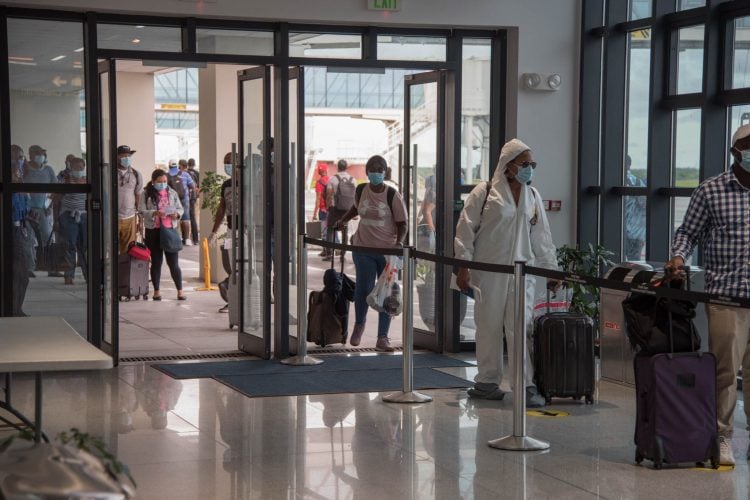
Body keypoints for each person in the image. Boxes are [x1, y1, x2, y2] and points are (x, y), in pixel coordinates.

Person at [666, 124, 750, 466]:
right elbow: (688, 232)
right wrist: (678, 257)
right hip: (727, 296)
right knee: (726, 372)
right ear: (735, 152)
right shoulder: (711, 190)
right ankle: (722, 437)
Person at [454, 138, 559, 407]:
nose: (530, 169)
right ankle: (487, 381)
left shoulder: (532, 196)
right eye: (525, 164)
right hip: (488, 272)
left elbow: (542, 238)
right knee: (487, 326)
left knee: (520, 328)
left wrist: (551, 271)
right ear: (508, 165)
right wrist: (462, 266)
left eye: (532, 164)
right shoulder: (485, 192)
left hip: (522, 272)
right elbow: (465, 231)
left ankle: (525, 384)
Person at [334, 155, 407, 352]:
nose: (375, 172)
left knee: (386, 292)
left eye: (379, 169)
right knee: (363, 288)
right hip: (363, 248)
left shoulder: (392, 195)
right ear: (367, 172)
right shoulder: (361, 189)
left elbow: (403, 224)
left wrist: (398, 243)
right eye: (372, 169)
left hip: (387, 252)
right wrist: (343, 220)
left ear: (385, 172)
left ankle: (382, 337)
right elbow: (355, 209)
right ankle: (359, 325)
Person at [139, 168, 186, 301]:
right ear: (153, 182)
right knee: (156, 262)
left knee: (173, 263)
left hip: (170, 230)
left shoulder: (172, 192)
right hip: (153, 230)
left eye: (165, 181)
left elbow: (180, 208)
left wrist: (176, 214)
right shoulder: (146, 193)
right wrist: (154, 212)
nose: (163, 184)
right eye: (160, 182)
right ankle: (157, 291)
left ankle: (180, 291)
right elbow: (141, 210)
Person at [23, 144, 59, 277]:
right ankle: (30, 268)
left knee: (48, 236)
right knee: (29, 239)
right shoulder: (25, 168)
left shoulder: (48, 170)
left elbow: (57, 189)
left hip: (43, 209)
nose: (40, 156)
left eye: (41, 153)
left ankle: (52, 268)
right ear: (30, 154)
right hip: (27, 209)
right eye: (36, 153)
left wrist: (49, 206)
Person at [208, 152, 236, 313]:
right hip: (232, 230)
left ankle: (233, 297)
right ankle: (231, 298)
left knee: (241, 267)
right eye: (225, 163)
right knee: (230, 264)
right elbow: (221, 209)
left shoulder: (249, 182)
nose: (227, 166)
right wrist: (214, 231)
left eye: (230, 162)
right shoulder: (226, 185)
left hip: (246, 231)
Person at [57, 157, 88, 285]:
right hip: (68, 215)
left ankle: (88, 275)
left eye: (81, 168)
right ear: (71, 167)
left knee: (85, 246)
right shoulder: (65, 180)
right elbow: (57, 198)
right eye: (76, 168)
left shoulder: (87, 180)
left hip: (85, 216)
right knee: (70, 245)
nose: (79, 170)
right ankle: (69, 275)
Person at [11, 161, 33, 316]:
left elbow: (24, 211)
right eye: (16, 171)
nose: (19, 174)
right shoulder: (10, 191)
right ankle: (13, 308)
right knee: (16, 274)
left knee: (22, 275)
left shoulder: (21, 191)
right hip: (11, 231)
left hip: (20, 230)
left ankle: (16, 307)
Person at [324, 159, 355, 261]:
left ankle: (329, 254)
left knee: (330, 229)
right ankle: (343, 254)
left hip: (335, 208)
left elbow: (329, 194)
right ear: (346, 167)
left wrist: (328, 207)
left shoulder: (333, 179)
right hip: (347, 209)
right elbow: (354, 196)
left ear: (338, 167)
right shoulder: (352, 179)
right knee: (344, 230)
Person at [116, 145, 143, 255]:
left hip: (130, 217)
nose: (126, 158)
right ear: (117, 157)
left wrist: (140, 219)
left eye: (128, 155)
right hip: (113, 217)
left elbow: (138, 195)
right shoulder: (108, 173)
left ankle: (123, 271)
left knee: (127, 249)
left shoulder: (136, 174)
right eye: (123, 155)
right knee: (109, 247)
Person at [624, 155, 646, 261]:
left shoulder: (613, 181)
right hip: (636, 233)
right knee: (635, 265)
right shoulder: (637, 182)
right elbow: (644, 206)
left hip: (619, 230)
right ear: (629, 165)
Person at [170, 160, 195, 246]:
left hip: (172, 199)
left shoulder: (167, 174)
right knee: (186, 218)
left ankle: (176, 238)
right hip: (184, 198)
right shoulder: (185, 174)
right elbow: (192, 186)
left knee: (174, 218)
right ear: (177, 166)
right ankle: (187, 239)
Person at [312, 164, 330, 257]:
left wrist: (314, 213)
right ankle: (332, 249)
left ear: (319, 172)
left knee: (323, 230)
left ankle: (326, 251)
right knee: (330, 229)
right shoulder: (331, 180)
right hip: (331, 209)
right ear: (326, 170)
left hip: (323, 210)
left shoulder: (319, 182)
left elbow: (318, 199)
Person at [187, 158, 201, 245]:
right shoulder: (197, 173)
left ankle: (185, 238)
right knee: (193, 218)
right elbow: (198, 187)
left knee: (184, 218)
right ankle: (195, 239)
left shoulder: (184, 173)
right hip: (193, 198)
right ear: (194, 164)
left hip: (184, 198)